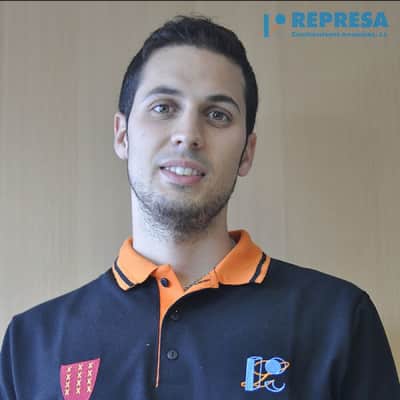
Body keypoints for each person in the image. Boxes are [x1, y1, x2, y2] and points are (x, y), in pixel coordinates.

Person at [0, 14, 399, 400]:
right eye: (163, 107)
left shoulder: (339, 319)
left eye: (217, 115)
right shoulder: (30, 343)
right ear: (122, 135)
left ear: (246, 153)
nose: (188, 134)